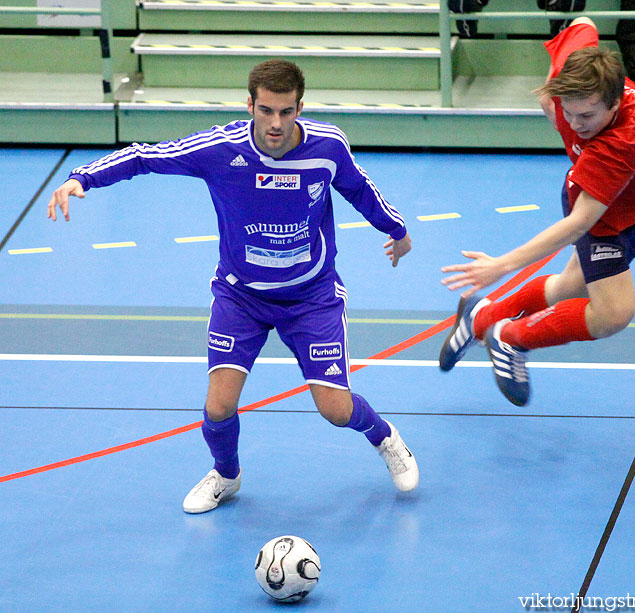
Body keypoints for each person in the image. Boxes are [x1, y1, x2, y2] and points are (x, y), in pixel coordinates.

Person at [47, 59, 419, 513]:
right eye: (266, 111)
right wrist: (81, 177)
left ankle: (386, 438)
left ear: (300, 107)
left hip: (311, 297)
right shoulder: (220, 150)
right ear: (250, 105)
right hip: (240, 296)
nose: (276, 123)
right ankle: (226, 475)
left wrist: (396, 231)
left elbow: (360, 190)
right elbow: (145, 156)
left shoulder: (327, 147)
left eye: (286, 112)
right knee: (219, 407)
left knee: (335, 410)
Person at [438, 17, 635, 406]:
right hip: (606, 213)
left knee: (570, 288)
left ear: (615, 101)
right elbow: (580, 221)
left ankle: (481, 318)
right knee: (613, 313)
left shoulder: (623, 136)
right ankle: (509, 338)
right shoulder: (605, 145)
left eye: (587, 116)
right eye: (568, 112)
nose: (575, 124)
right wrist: (503, 264)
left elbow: (583, 22)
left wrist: (501, 268)